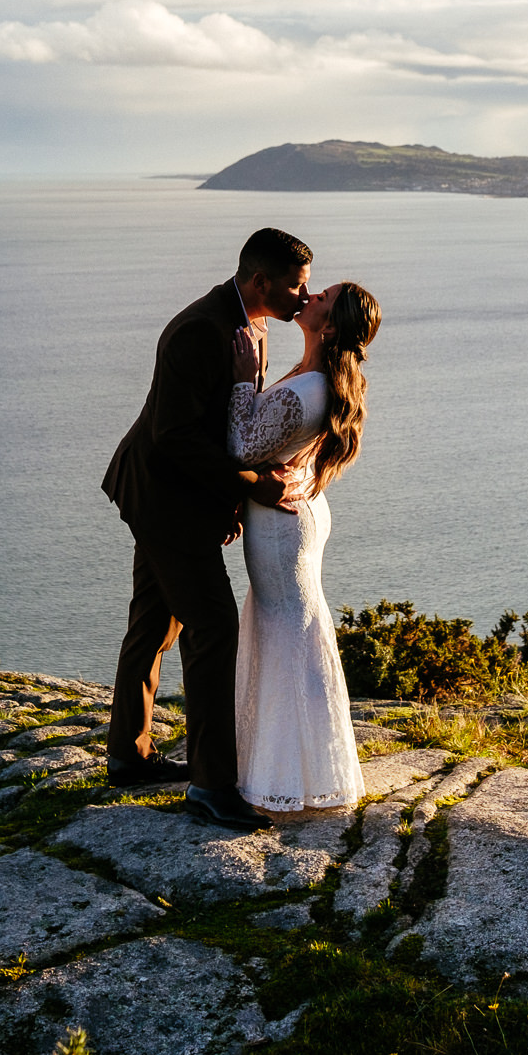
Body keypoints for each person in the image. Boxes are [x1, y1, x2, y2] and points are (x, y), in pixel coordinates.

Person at [103, 228, 311, 830]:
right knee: (214, 627)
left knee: (153, 621)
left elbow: (226, 425)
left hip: (183, 496)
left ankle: (127, 756)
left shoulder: (252, 324)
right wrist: (249, 488)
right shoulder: (202, 330)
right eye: (295, 285)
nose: (305, 294)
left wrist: (227, 504)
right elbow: (177, 438)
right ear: (260, 281)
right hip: (165, 498)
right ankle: (212, 786)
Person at [228, 280, 379, 813]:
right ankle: (293, 768)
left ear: (331, 325)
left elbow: (241, 445)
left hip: (283, 527)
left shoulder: (308, 388)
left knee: (288, 632)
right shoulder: (317, 379)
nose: (310, 296)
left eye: (322, 299)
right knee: (291, 628)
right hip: (291, 517)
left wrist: (244, 381)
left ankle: (291, 777)